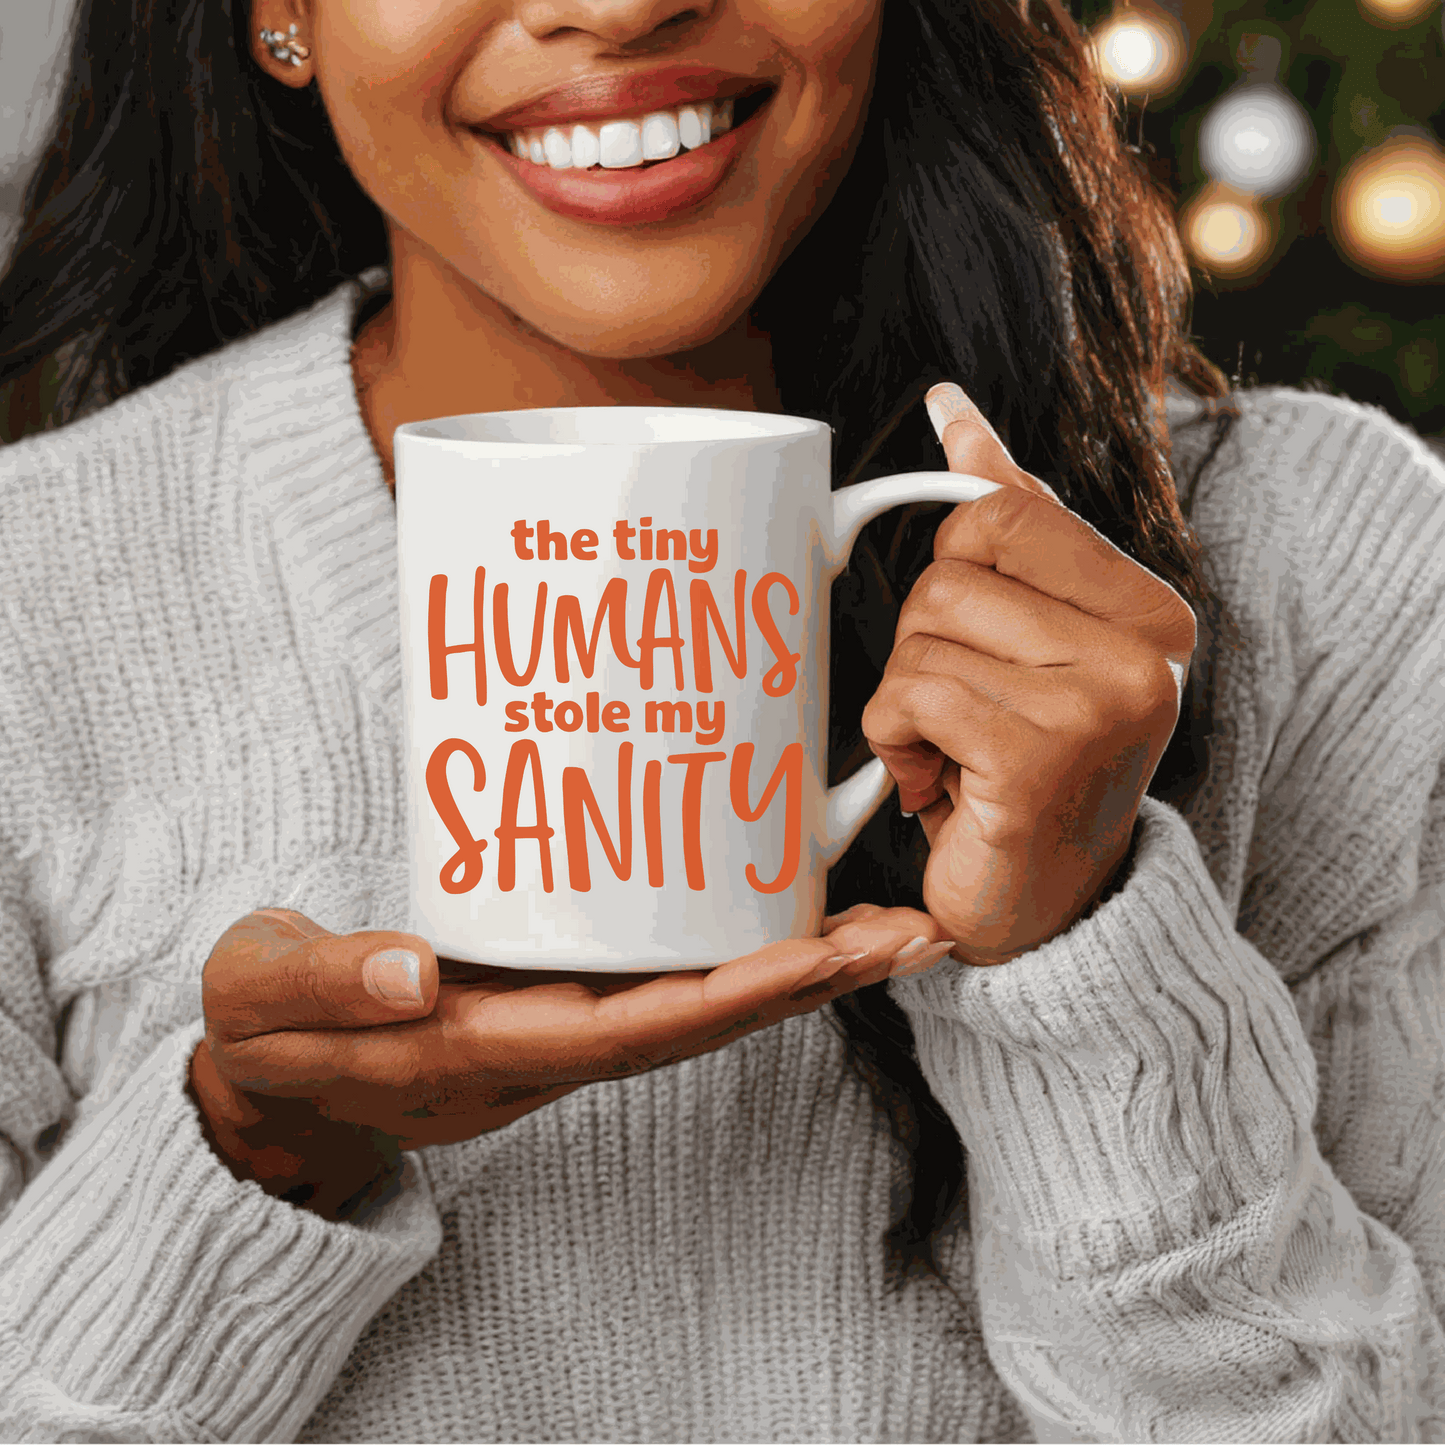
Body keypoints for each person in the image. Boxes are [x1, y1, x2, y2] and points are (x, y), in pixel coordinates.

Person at [0, 0, 1441, 1436]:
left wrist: (1084, 950)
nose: (620, 6)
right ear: (281, 14)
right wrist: (254, 1155)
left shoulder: (1322, 564)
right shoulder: (36, 597)